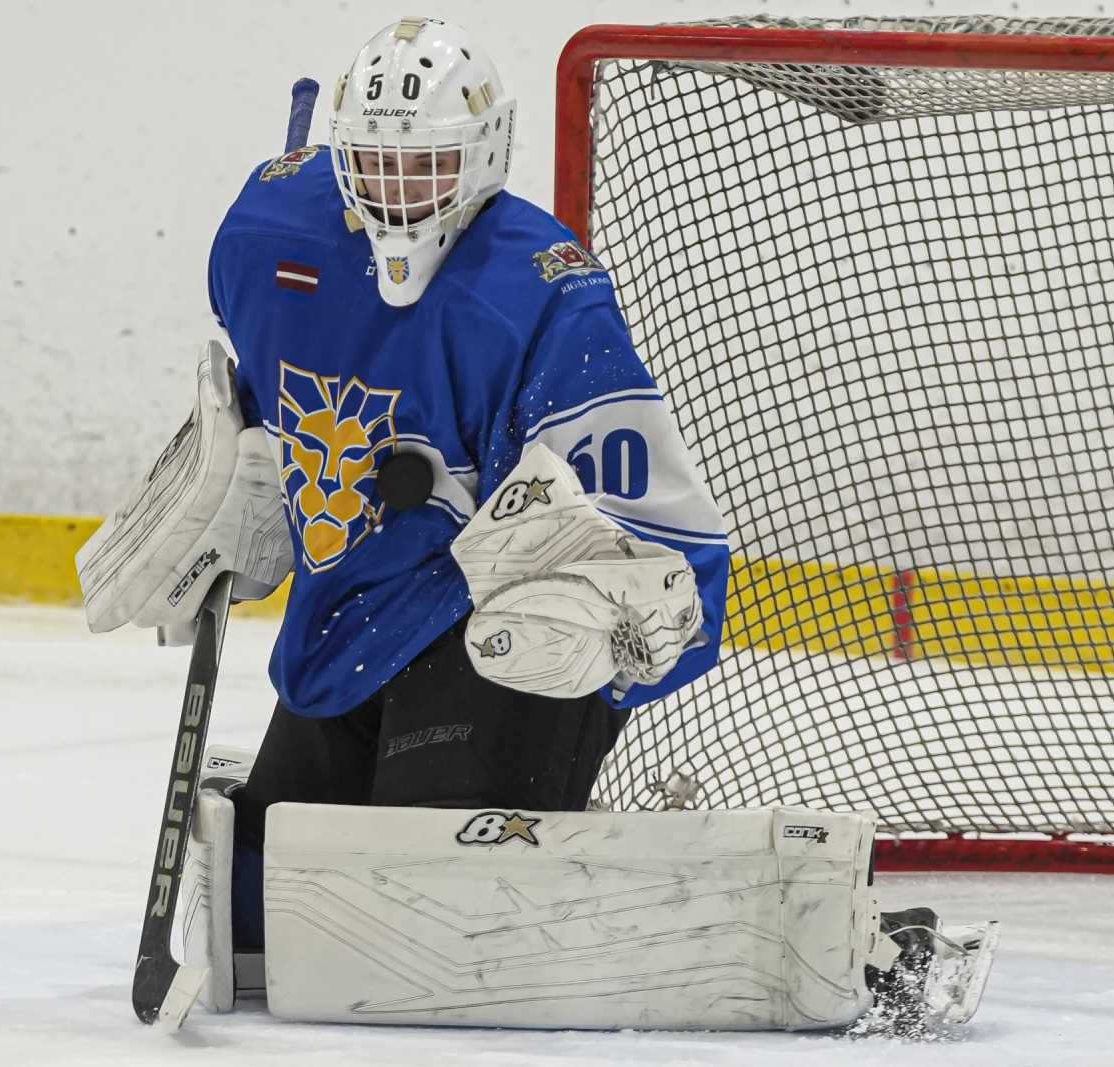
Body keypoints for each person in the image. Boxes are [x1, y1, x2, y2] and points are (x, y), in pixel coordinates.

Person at [199, 15, 729, 949]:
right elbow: (259, 383)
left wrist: (624, 629)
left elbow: (672, 543)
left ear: (486, 152)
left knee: (439, 920)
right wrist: (229, 471)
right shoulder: (263, 237)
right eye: (375, 164)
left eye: (428, 164)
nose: (399, 191)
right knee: (265, 925)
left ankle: (685, 901)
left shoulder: (542, 294)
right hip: (350, 623)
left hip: (493, 641)